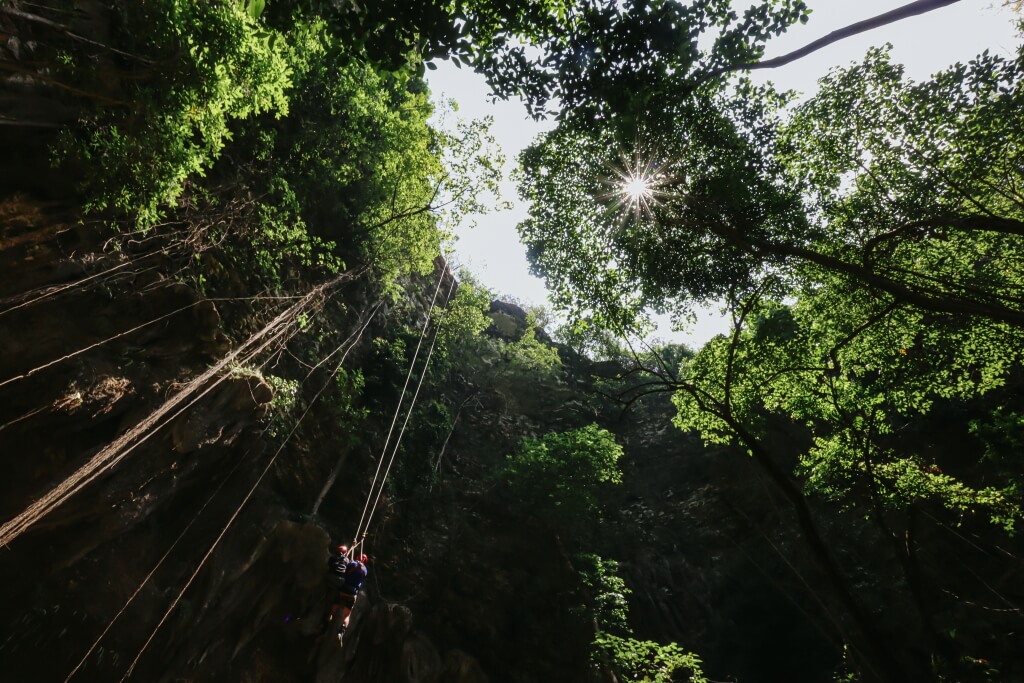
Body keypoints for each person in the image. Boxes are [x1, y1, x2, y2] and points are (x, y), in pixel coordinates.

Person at [325, 544, 368, 635]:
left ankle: (327, 624)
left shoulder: (352, 563)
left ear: (357, 557)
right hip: (353, 593)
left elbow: (346, 567)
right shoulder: (365, 570)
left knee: (333, 608)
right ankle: (342, 631)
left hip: (344, 589)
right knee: (346, 615)